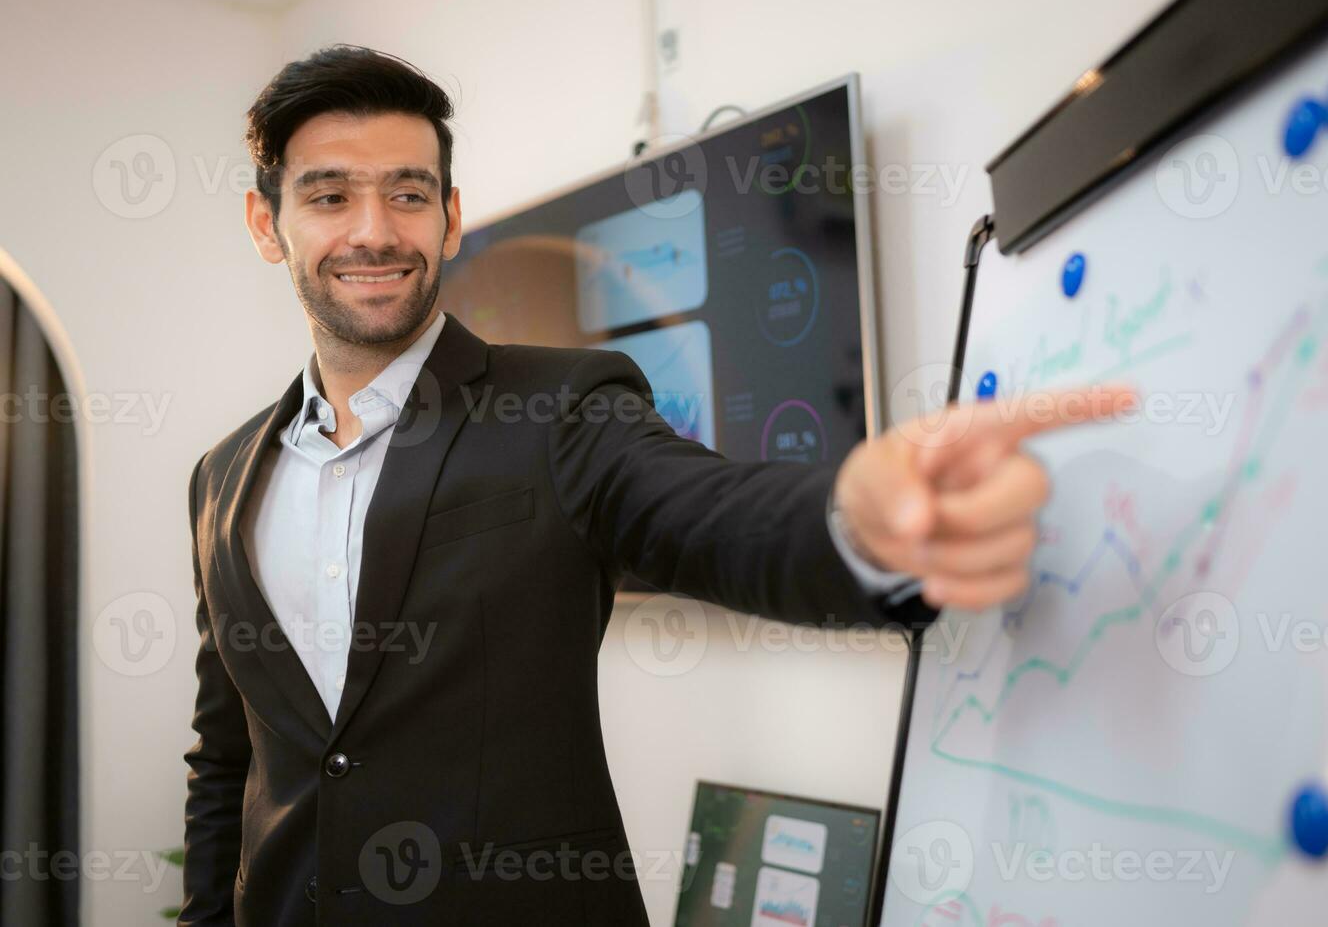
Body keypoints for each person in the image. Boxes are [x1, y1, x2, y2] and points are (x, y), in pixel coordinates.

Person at [181, 45, 1133, 926]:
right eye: (331, 197)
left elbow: (700, 513)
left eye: (408, 193)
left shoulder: (559, 406)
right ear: (269, 223)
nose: (375, 231)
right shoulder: (221, 481)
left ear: (451, 215)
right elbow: (227, 760)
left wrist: (854, 519)